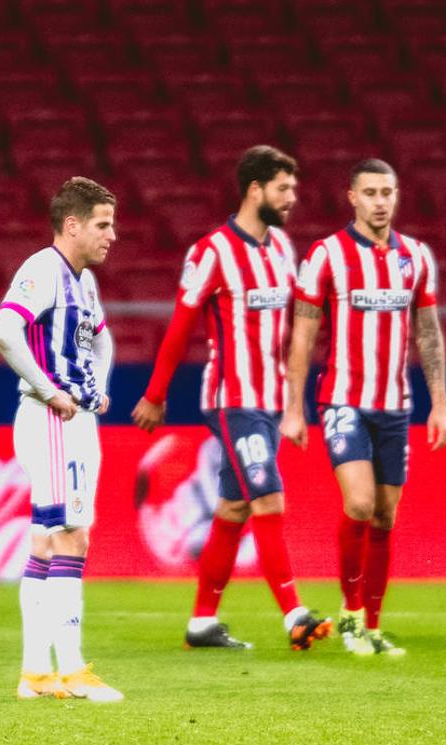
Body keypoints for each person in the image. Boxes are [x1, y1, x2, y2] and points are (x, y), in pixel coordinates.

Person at [132, 145, 331, 651]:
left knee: (234, 509)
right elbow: (180, 325)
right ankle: (295, 616)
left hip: (268, 401)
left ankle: (202, 622)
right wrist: (156, 395)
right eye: (283, 188)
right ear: (255, 189)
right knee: (268, 497)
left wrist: (293, 404)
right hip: (232, 397)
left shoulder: (281, 248)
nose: (292, 198)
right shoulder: (211, 251)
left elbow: (290, 329)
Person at [281, 158, 446, 656]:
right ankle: (351, 614)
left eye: (388, 192)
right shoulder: (327, 255)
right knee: (359, 503)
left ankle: (372, 625)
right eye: (371, 192)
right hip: (343, 399)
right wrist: (294, 407)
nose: (381, 201)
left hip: (395, 404)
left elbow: (428, 332)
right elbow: (305, 331)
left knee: (384, 517)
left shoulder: (416, 257)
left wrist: (439, 404)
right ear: (351, 197)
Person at [0, 176, 122, 702]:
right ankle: (70, 671)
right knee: (72, 536)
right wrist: (50, 390)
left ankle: (35, 675)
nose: (112, 235)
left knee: (48, 540)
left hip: (75, 418)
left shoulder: (83, 280)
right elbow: (3, 330)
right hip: (50, 419)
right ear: (72, 225)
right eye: (103, 225)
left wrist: (100, 385)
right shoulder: (42, 269)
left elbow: (103, 338)